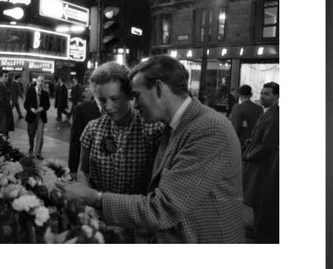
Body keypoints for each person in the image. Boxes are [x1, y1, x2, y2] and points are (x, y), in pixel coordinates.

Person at [58, 55, 245, 243]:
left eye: (136, 96)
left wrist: (95, 198)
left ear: (159, 88)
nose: (136, 105)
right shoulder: (175, 126)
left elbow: (164, 208)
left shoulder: (207, 129)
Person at [76, 62, 164, 197]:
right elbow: (83, 171)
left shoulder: (153, 130)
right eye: (102, 100)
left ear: (129, 95)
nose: (108, 107)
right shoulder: (92, 129)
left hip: (136, 212)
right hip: (98, 212)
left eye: (114, 99)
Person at [242, 82, 279, 241]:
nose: (262, 96)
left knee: (260, 196)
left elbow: (267, 145)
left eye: (267, 94)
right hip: (258, 161)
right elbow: (260, 137)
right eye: (262, 93)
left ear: (276, 96)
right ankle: (256, 227)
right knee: (256, 197)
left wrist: (249, 156)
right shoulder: (267, 112)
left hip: (263, 164)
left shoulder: (275, 115)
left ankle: (259, 230)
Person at [68, 82, 102, 176]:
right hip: (88, 169)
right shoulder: (81, 109)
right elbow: (75, 140)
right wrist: (73, 169)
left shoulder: (117, 110)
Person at [24, 76, 50, 159]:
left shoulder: (45, 93)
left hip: (41, 117)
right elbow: (26, 104)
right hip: (31, 117)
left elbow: (47, 105)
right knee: (31, 134)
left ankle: (38, 152)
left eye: (42, 81)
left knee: (40, 135)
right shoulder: (30, 91)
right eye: (39, 81)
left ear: (44, 83)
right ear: (36, 81)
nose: (40, 83)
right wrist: (31, 108)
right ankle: (31, 149)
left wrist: (42, 108)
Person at [230, 84, 263, 149]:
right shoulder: (259, 108)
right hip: (256, 141)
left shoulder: (238, 107)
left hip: (242, 142)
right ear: (251, 94)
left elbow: (235, 127)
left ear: (239, 94)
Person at [0, 69, 15, 136]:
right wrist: (8, 107)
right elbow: (0, 102)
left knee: (0, 137)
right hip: (1, 118)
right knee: (3, 138)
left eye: (8, 76)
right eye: (5, 76)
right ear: (0, 77)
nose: (7, 78)